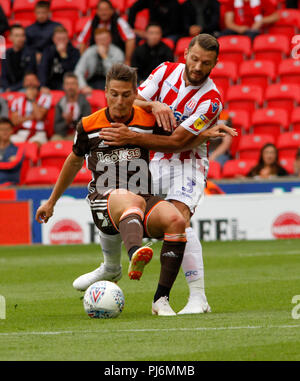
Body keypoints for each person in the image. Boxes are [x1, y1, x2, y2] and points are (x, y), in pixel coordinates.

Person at [98, 34, 237, 314]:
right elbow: (132, 100)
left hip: (187, 164)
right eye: (195, 59)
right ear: (185, 53)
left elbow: (177, 141)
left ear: (215, 64)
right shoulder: (164, 72)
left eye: (206, 63)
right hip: (154, 160)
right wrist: (154, 105)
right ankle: (110, 266)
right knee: (116, 202)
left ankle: (196, 297)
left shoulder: (211, 101)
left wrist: (131, 138)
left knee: (179, 220)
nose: (198, 66)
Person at [35, 63, 189, 316]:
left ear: (134, 95)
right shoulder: (88, 124)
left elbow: (174, 143)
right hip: (103, 200)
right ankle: (135, 253)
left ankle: (160, 300)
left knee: (175, 220)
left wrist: (205, 134)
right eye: (114, 94)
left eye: (126, 95)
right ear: (105, 92)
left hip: (143, 198)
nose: (120, 101)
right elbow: (73, 161)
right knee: (127, 198)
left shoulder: (148, 121)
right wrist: (51, 202)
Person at [76, 0, 135, 66]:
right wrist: (84, 61)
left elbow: (130, 39)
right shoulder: (92, 23)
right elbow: (82, 42)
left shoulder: (119, 21)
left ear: (112, 11)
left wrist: (127, 60)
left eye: (106, 10)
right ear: (97, 11)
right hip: (96, 54)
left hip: (115, 55)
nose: (103, 13)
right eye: (101, 10)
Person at [75, 28, 124, 94]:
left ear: (110, 39)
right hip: (91, 82)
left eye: (104, 39)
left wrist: (104, 57)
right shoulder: (89, 52)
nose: (102, 42)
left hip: (110, 83)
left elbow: (115, 76)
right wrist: (83, 86)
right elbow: (78, 71)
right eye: (99, 40)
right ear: (95, 40)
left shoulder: (117, 53)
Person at [10, 73, 52, 146]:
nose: (30, 82)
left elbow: (39, 116)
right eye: (27, 80)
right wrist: (32, 116)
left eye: (32, 80)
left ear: (38, 82)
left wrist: (32, 100)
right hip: (22, 132)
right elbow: (14, 121)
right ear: (23, 84)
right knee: (9, 142)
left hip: (39, 133)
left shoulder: (45, 98)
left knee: (34, 146)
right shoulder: (17, 100)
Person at [38, 26, 80, 92]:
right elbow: (43, 69)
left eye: (64, 39)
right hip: (51, 83)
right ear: (53, 39)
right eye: (59, 39)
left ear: (68, 39)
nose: (61, 42)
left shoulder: (74, 52)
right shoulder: (48, 51)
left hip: (68, 84)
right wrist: (43, 85)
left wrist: (63, 55)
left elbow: (72, 71)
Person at [52, 73, 91, 141]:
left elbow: (87, 127)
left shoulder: (85, 103)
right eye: (67, 84)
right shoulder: (60, 104)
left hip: (78, 136)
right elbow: (56, 128)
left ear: (77, 86)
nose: (70, 87)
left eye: (73, 84)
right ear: (64, 86)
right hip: (62, 135)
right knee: (54, 141)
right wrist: (66, 122)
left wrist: (72, 121)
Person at [1, 24, 36, 92]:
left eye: (22, 35)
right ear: (10, 37)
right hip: (7, 87)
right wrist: (6, 88)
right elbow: (3, 76)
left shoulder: (30, 54)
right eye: (17, 35)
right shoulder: (6, 53)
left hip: (22, 87)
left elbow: (28, 78)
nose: (20, 38)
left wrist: (12, 89)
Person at [0, 117, 24, 185]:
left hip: (11, 186)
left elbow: (13, 165)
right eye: (2, 129)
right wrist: (7, 162)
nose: (5, 132)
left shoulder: (18, 149)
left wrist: (10, 164)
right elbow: (9, 164)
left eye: (7, 129)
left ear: (12, 130)